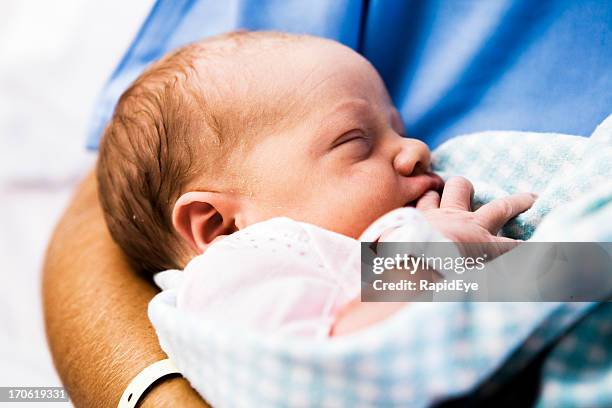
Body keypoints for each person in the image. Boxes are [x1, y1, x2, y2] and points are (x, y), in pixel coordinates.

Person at [43, 1, 612, 406]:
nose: (415, 150)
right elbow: (336, 364)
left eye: (398, 127)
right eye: (356, 141)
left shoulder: (337, 256)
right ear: (218, 225)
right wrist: (435, 254)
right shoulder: (240, 271)